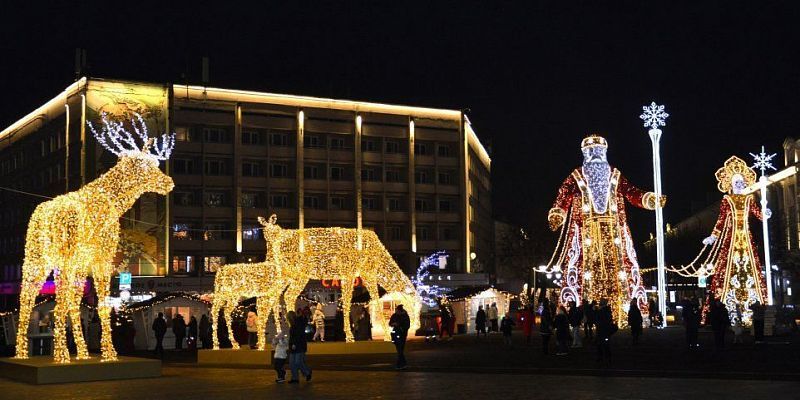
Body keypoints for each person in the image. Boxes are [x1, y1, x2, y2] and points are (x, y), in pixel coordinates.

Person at [546, 135, 663, 323]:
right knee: (582, 269)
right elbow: (563, 196)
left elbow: (631, 192)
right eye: (591, 151)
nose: (595, 155)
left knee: (622, 271)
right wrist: (557, 214)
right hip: (585, 232)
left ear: (605, 152)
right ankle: (582, 313)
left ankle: (624, 313)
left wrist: (649, 200)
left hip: (614, 232)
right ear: (584, 153)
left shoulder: (615, 175)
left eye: (599, 151)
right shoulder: (576, 176)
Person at [288, 311, 312, 383]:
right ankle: (295, 378)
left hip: (299, 345)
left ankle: (307, 373)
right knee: (293, 363)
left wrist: (294, 343)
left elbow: (298, 335)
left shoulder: (297, 324)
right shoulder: (295, 324)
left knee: (297, 362)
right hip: (296, 345)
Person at [389, 304, 411, 369]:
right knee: (399, 350)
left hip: (402, 334)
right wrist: (393, 324)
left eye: (397, 310)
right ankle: (403, 364)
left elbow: (407, 326)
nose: (396, 311)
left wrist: (400, 326)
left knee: (400, 349)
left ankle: (400, 364)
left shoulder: (405, 316)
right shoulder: (394, 315)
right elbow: (390, 323)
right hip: (395, 334)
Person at [595, 299, 615, 364]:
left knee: (604, 345)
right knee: (602, 345)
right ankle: (604, 357)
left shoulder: (603, 311)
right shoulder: (605, 311)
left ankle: (605, 358)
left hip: (603, 331)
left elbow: (601, 320)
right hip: (603, 331)